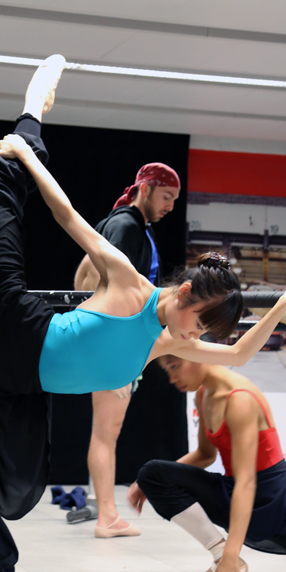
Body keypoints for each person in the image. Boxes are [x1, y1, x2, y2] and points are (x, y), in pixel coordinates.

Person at [0, 54, 286, 572]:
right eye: (198, 321)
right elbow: (68, 215)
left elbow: (237, 356)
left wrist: (278, 305)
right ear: (184, 291)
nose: (193, 338)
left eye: (202, 333)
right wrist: (27, 156)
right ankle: (31, 117)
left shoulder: (161, 344)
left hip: (14, 381)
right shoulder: (131, 282)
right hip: (11, 322)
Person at [128, 356, 286, 572]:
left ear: (197, 357)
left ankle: (224, 558)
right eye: (168, 370)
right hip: (234, 490)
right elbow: (205, 454)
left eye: (175, 367)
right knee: (152, 472)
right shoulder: (204, 393)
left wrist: (233, 556)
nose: (172, 379)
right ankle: (218, 555)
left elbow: (248, 482)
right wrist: (150, 481)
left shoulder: (240, 399)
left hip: (277, 501)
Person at [74, 162, 180, 538]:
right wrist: (114, 356)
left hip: (121, 342)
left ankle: (108, 514)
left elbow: (87, 276)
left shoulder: (125, 224)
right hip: (117, 344)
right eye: (167, 196)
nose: (170, 206)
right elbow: (108, 289)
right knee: (106, 431)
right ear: (146, 188)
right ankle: (106, 517)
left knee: (107, 431)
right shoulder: (126, 226)